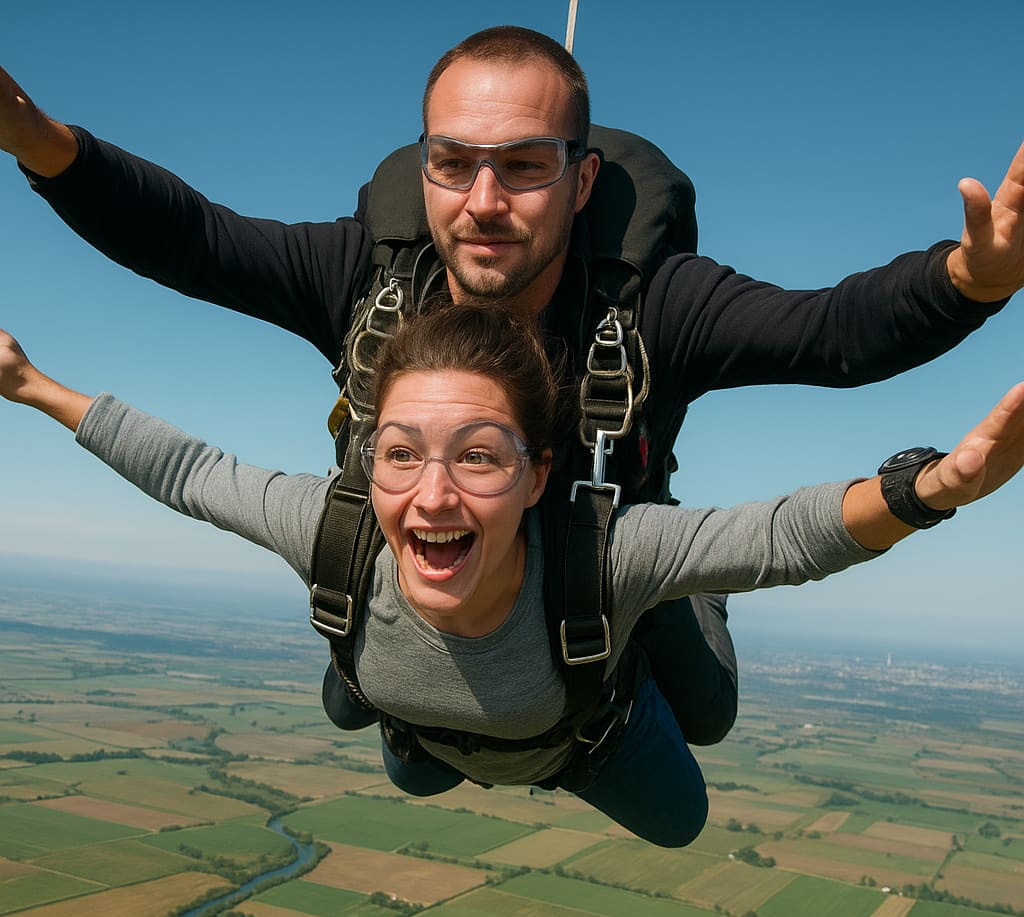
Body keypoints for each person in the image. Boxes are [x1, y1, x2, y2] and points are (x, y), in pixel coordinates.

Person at [1, 26, 1022, 749]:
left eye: (524, 167)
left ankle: (679, 593)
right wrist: (39, 144)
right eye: (454, 164)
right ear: (427, 169)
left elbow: (829, 333)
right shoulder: (365, 274)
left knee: (700, 716)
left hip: (597, 556)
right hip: (433, 556)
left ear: (581, 183)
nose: (483, 203)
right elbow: (192, 241)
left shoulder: (652, 304)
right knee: (358, 699)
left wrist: (963, 284)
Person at [2, 304, 1023, 847]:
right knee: (389, 741)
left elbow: (785, 536)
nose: (431, 495)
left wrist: (932, 488)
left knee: (682, 822)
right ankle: (402, 708)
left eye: (479, 457)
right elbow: (185, 469)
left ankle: (677, 608)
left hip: (585, 741)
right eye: (399, 452)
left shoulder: (603, 554)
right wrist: (30, 384)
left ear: (538, 475)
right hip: (430, 724)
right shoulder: (339, 527)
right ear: (369, 462)